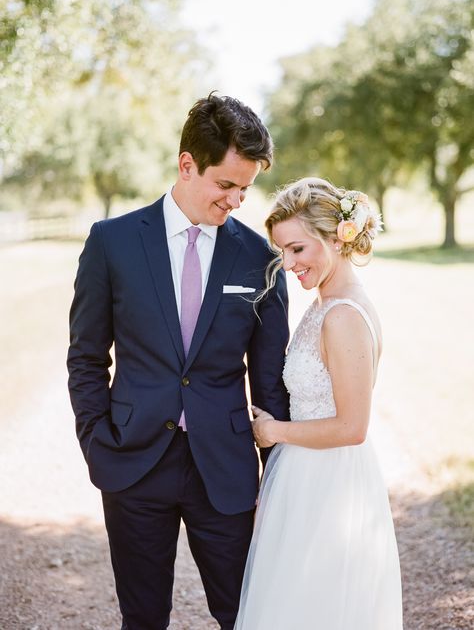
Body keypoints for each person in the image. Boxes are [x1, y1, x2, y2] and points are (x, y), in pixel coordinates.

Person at [67, 92, 289, 630]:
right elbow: (86, 357)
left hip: (225, 465)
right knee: (142, 617)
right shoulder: (111, 242)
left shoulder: (260, 259)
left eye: (246, 189)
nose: (237, 200)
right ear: (188, 165)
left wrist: (279, 476)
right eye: (226, 185)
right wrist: (96, 440)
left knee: (245, 613)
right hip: (132, 460)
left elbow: (270, 380)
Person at [234, 177, 403, 629]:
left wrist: (275, 432)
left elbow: (352, 427)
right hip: (306, 475)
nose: (288, 264)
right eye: (283, 252)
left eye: (298, 250)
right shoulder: (325, 303)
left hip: (329, 484)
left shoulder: (344, 315)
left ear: (335, 238)